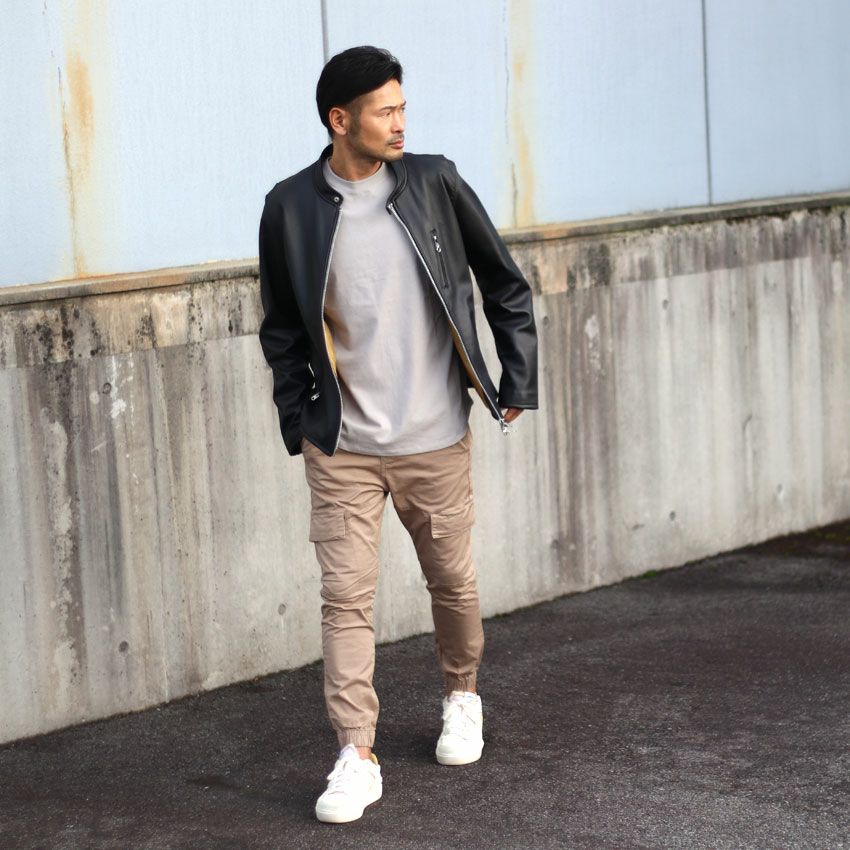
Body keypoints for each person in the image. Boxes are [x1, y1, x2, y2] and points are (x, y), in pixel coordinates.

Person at [257, 45, 538, 824]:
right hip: (343, 446)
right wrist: (300, 421)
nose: (401, 122)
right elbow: (281, 327)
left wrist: (514, 379)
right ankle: (356, 754)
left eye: (403, 107)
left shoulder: (434, 182)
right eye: (386, 111)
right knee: (344, 600)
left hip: (434, 436)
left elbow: (503, 280)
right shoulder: (291, 207)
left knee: (453, 581)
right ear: (340, 121)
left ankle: (461, 695)